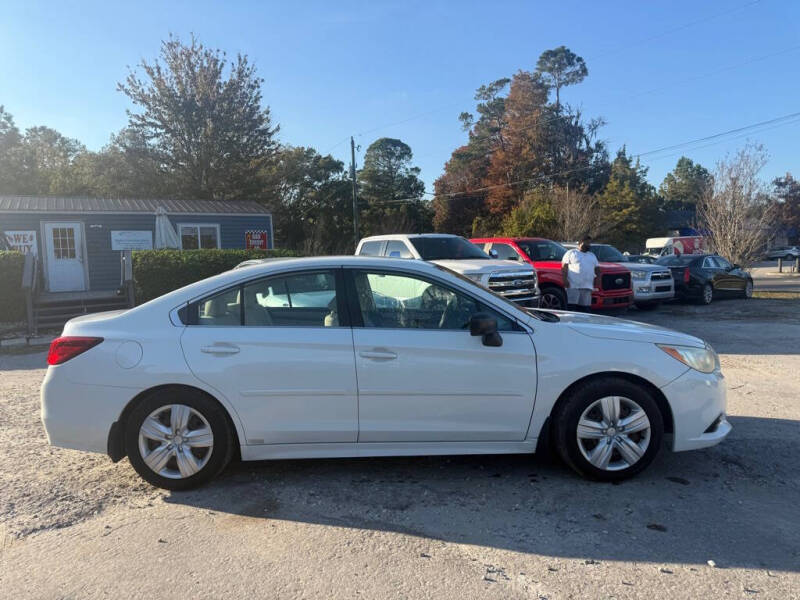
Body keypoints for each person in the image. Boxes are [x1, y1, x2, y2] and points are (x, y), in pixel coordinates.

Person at [561, 235, 600, 311]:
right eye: (587, 243)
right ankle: (570, 322)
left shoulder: (592, 255)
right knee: (572, 308)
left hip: (587, 287)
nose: (589, 245)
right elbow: (564, 266)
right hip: (573, 286)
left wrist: (598, 279)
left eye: (590, 243)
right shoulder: (571, 253)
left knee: (585, 309)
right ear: (581, 243)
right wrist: (565, 279)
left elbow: (597, 269)